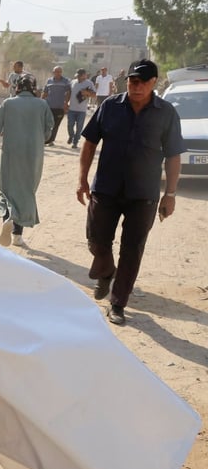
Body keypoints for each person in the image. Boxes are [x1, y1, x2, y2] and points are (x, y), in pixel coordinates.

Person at [77, 58, 184, 325]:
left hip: (143, 194)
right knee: (96, 239)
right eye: (131, 81)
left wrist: (170, 195)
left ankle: (118, 302)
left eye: (141, 82)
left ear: (153, 83)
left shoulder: (167, 113)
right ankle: (105, 269)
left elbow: (173, 156)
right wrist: (82, 179)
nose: (135, 86)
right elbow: (89, 143)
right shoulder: (110, 107)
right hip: (106, 188)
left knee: (132, 249)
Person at [0, 73, 54, 247]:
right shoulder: (42, 104)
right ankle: (18, 235)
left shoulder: (8, 103)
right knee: (26, 192)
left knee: (7, 190)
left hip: (10, 154)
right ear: (34, 89)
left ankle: (8, 219)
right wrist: (40, 137)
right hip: (33, 156)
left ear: (16, 87)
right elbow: (49, 130)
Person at [41, 65, 71, 146]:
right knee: (47, 123)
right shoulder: (49, 81)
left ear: (61, 72)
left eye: (60, 72)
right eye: (56, 72)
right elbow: (45, 92)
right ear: (53, 72)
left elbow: (68, 93)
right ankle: (45, 139)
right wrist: (41, 101)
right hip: (49, 106)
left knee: (55, 124)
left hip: (60, 107)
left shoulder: (66, 81)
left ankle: (50, 140)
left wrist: (66, 103)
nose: (58, 73)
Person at [67, 69, 95, 148]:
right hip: (72, 108)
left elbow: (94, 95)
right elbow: (69, 93)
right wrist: (66, 103)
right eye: (78, 75)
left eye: (80, 75)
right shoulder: (73, 82)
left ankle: (75, 142)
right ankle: (71, 136)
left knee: (79, 127)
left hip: (81, 110)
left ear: (84, 75)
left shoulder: (89, 83)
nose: (78, 77)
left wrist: (87, 93)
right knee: (70, 125)